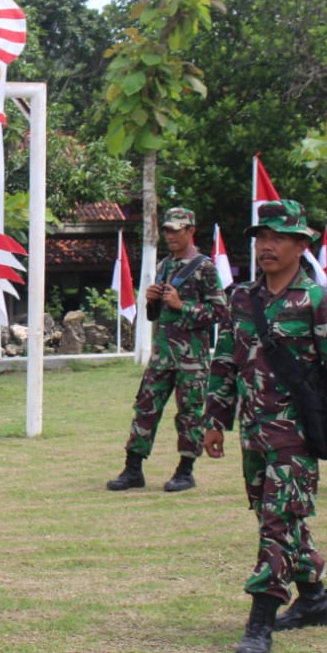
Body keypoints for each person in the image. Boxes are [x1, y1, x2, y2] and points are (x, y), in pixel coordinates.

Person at [203, 200, 327, 653]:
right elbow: (225, 360)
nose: (267, 246)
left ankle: (260, 622)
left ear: (300, 245)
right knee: (280, 517)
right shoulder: (241, 298)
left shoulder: (318, 300)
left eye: (278, 237)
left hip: (296, 433)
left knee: (277, 522)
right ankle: (313, 599)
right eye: (261, 238)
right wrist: (215, 419)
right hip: (253, 431)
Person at [107, 207, 228, 492]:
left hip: (191, 358)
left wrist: (181, 305)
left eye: (177, 230)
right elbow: (155, 316)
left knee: (189, 413)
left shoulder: (204, 268)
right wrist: (151, 302)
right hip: (162, 355)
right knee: (145, 408)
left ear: (191, 230)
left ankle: (185, 471)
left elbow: (220, 312)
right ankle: (133, 469)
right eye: (167, 230)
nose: (171, 235)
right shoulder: (164, 266)